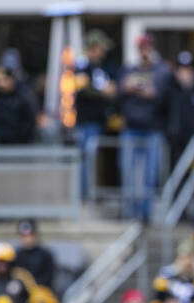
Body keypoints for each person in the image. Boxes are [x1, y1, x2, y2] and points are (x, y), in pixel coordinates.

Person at [118, 34, 169, 221]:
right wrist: (137, 87)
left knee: (150, 175)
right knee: (128, 173)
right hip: (131, 128)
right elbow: (122, 88)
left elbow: (156, 93)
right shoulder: (129, 68)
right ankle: (130, 212)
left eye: (147, 47)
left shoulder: (161, 70)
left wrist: (137, 87)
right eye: (141, 47)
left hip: (152, 129)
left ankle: (146, 214)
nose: (144, 51)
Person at [74, 30, 118, 200]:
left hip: (97, 121)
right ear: (93, 48)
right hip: (86, 121)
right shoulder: (82, 65)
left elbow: (109, 87)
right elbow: (84, 88)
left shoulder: (100, 67)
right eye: (101, 48)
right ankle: (83, 197)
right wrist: (103, 92)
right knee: (85, 159)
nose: (103, 52)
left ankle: (89, 194)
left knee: (93, 160)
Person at [165, 52, 194, 169]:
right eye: (182, 71)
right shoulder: (170, 91)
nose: (185, 74)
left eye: (188, 71)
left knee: (193, 169)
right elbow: (162, 111)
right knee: (174, 170)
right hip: (174, 141)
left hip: (192, 140)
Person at [0, 66, 37, 145]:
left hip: (22, 143)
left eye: (4, 80)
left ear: (11, 79)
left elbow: (30, 120)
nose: (0, 84)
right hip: (0, 143)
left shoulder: (24, 96)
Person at [14, 219, 55, 290]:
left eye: (29, 235)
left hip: (41, 292)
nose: (27, 239)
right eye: (23, 236)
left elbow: (49, 277)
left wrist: (32, 284)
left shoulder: (45, 254)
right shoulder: (16, 255)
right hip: (21, 294)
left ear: (35, 235)